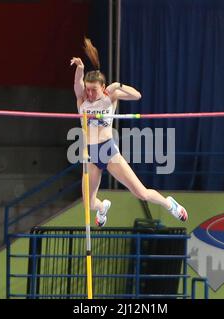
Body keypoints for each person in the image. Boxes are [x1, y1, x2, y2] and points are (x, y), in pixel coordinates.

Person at [70, 37, 188, 227]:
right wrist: (80, 68)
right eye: (88, 89)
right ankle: (103, 208)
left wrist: (118, 85)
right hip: (91, 154)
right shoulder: (82, 100)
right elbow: (77, 83)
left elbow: (137, 95)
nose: (90, 94)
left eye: (94, 90)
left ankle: (169, 204)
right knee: (89, 203)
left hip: (108, 151)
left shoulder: (110, 97)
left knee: (140, 193)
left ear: (103, 88)